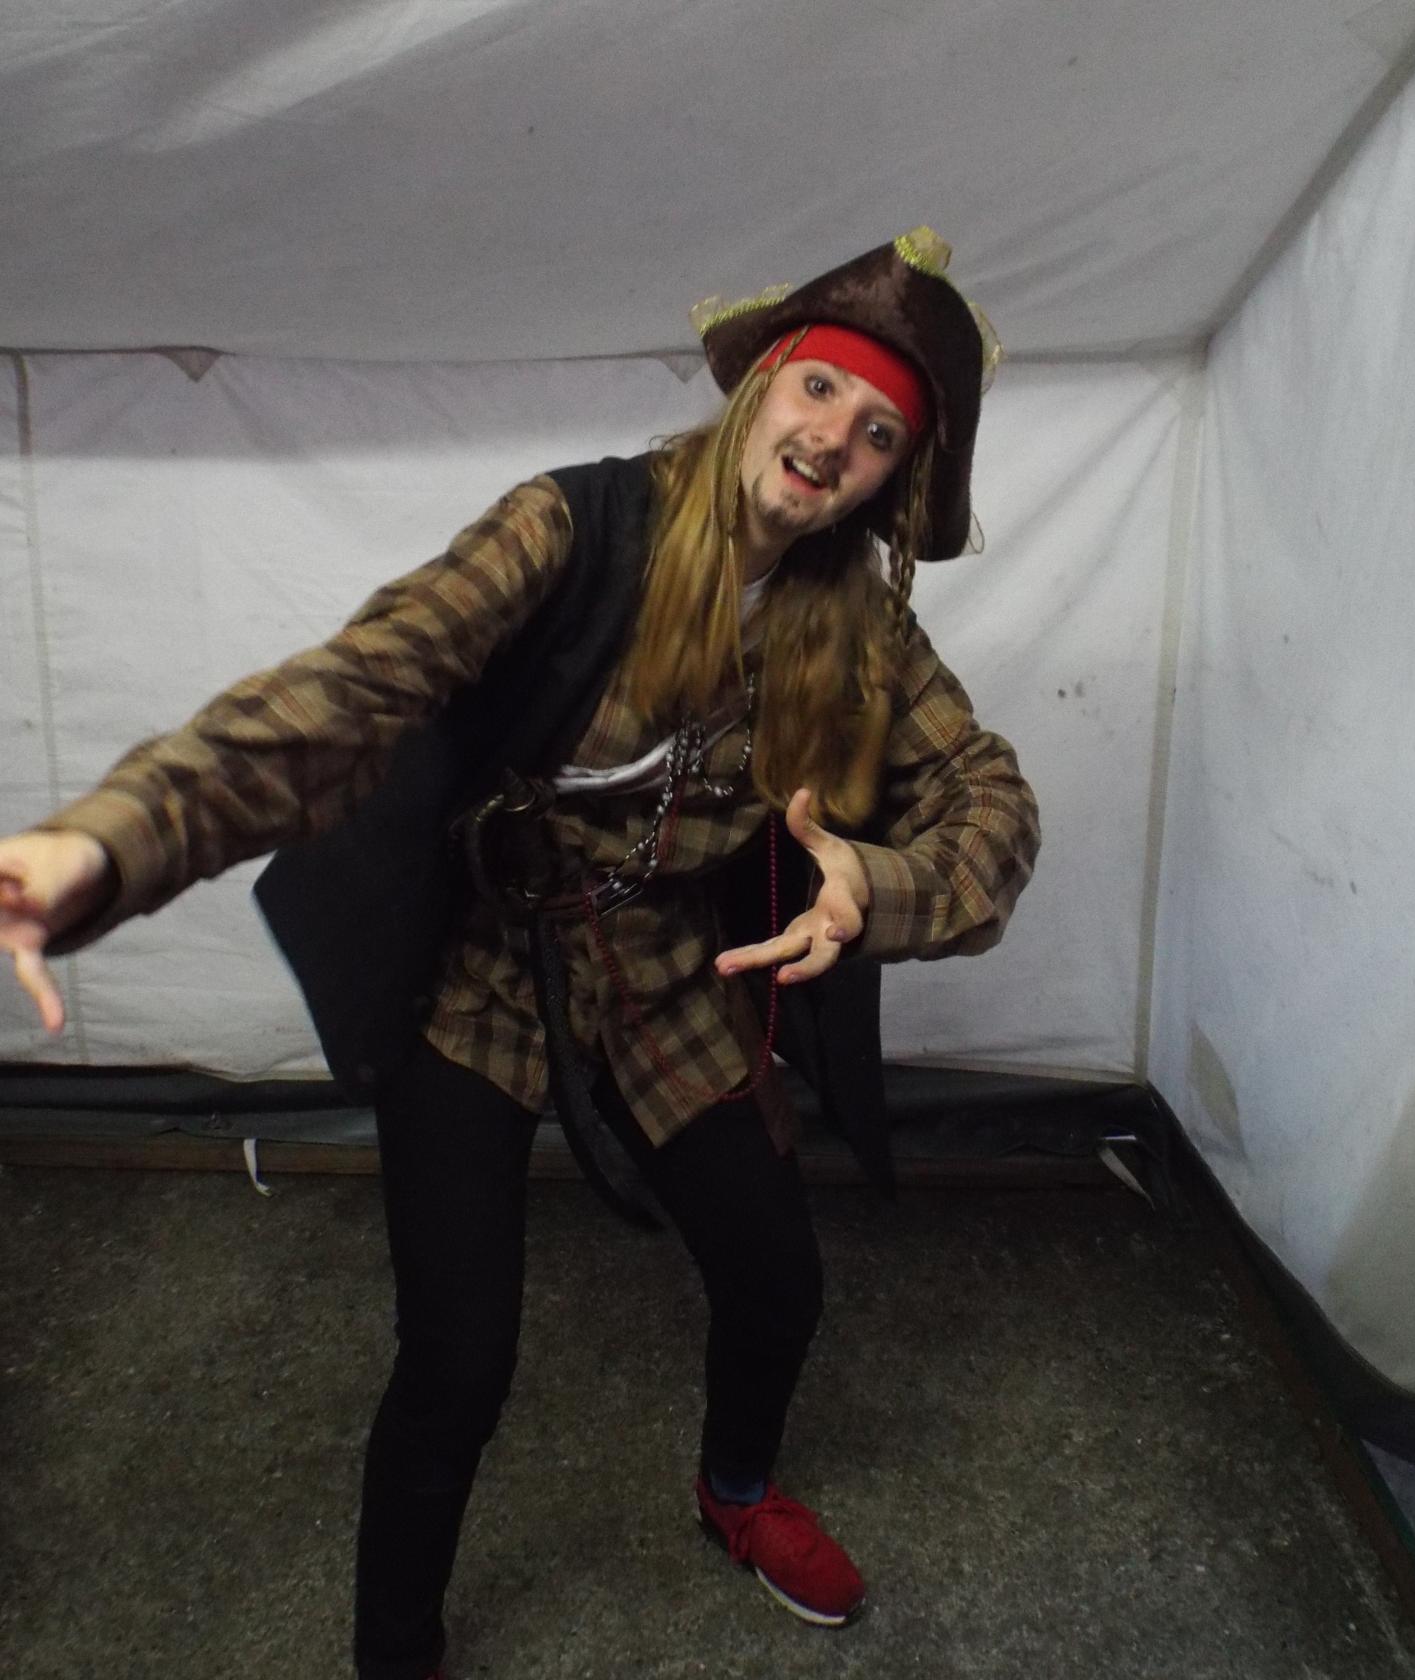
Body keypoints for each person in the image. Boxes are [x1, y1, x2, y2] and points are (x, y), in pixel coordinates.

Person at [0, 226, 1040, 1680]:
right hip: (477, 966)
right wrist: (113, 842)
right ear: (762, 388)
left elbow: (990, 798)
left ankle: (734, 1493)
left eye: (878, 433)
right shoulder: (576, 527)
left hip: (669, 968)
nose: (832, 440)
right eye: (821, 389)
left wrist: (886, 880)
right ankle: (397, 1652)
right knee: (459, 1359)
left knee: (777, 1279)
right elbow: (351, 691)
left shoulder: (853, 622)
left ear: (888, 478)